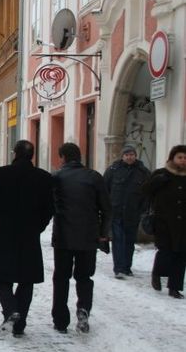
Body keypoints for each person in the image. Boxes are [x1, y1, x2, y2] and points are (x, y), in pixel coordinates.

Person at [0, 140, 54, 338]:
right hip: (30, 236)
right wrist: (39, 226)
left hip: (5, 234)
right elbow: (49, 209)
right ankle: (19, 326)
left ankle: (11, 310)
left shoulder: (0, 174)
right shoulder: (44, 178)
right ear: (32, 155)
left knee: (2, 279)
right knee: (26, 280)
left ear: (15, 154)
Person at [51, 143, 111, 334]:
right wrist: (102, 233)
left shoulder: (57, 177)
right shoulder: (94, 177)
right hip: (88, 237)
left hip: (63, 237)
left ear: (63, 158)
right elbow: (107, 208)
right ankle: (83, 310)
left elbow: (51, 205)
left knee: (61, 277)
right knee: (84, 277)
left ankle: (60, 321)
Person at [141, 145, 186, 299]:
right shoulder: (161, 174)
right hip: (163, 222)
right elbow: (145, 190)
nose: (183, 161)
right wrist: (157, 181)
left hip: (183, 224)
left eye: (185, 158)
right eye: (180, 157)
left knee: (181, 255)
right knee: (165, 252)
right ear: (172, 158)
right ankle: (157, 273)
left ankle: (174, 288)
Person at [103, 145, 150, 279]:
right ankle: (118, 268)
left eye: (132, 155)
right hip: (116, 211)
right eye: (127, 155)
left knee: (129, 241)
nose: (130, 157)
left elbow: (148, 193)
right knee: (118, 240)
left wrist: (143, 209)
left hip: (133, 212)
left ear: (136, 156)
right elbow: (105, 189)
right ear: (122, 156)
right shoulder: (113, 170)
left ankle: (127, 267)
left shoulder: (143, 172)